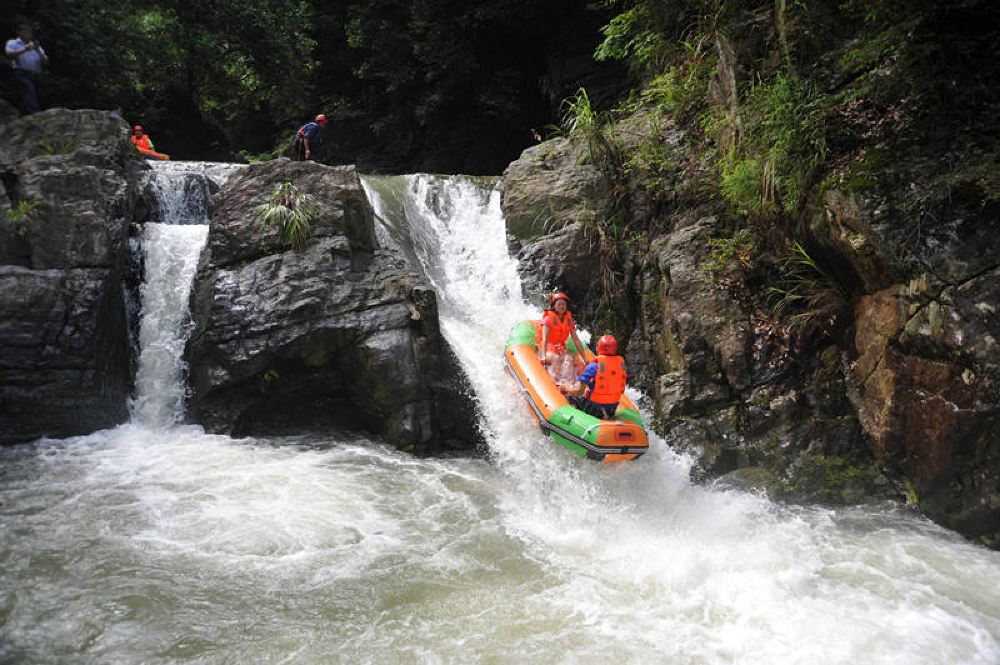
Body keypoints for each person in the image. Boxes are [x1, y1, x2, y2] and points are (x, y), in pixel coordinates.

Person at [562, 334, 627, 420]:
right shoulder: (621, 365)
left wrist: (565, 388)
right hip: (612, 408)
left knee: (570, 397)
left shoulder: (593, 367)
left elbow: (578, 391)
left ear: (598, 347)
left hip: (593, 408)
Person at [538, 292, 586, 385]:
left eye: (563, 304)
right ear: (554, 306)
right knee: (555, 358)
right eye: (559, 304)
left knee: (569, 359)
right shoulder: (548, 319)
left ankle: (572, 384)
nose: (562, 306)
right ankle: (556, 383)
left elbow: (576, 339)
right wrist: (543, 356)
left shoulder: (569, 320)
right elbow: (545, 338)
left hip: (560, 348)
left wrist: (584, 357)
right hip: (548, 348)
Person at [5, 23, 48, 115]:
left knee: (29, 94)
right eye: (26, 33)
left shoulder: (36, 46)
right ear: (19, 33)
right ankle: (34, 112)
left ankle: (22, 114)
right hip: (21, 72)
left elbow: (45, 62)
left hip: (34, 74)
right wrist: (25, 49)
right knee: (29, 90)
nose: (29, 35)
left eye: (30, 33)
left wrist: (38, 52)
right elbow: (9, 55)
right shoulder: (13, 43)